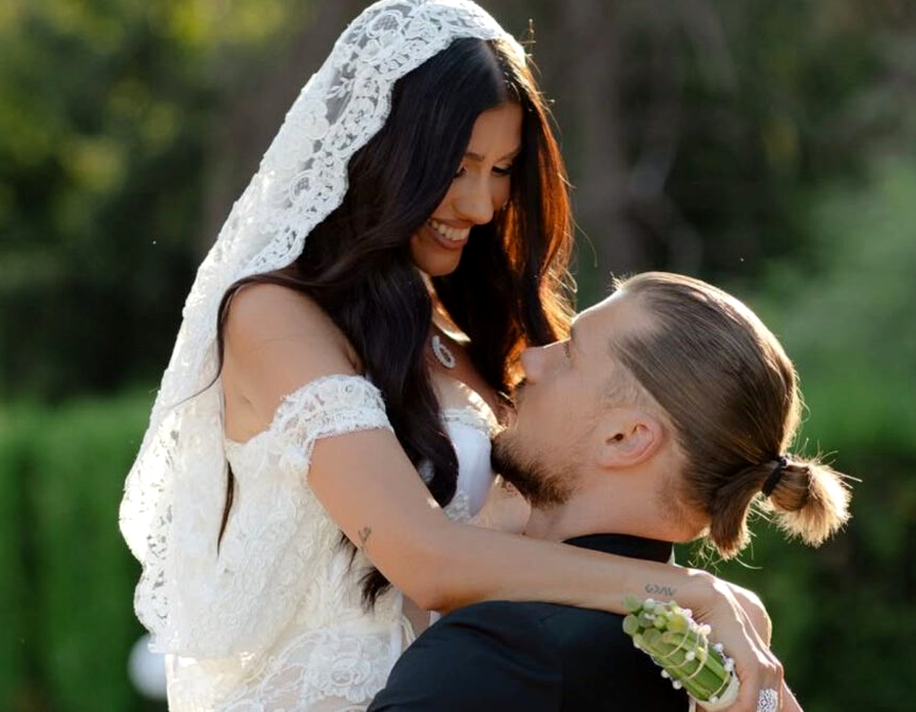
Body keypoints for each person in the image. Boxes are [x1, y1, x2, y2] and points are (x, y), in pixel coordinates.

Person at [119, 2, 784, 710]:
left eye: (501, 169)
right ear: (382, 155)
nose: (482, 204)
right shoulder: (275, 318)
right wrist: (684, 591)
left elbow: (548, 541)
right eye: (458, 167)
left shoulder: (473, 339)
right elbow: (425, 558)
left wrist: (704, 615)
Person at [369, 272, 851, 712]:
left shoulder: (504, 649)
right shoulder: (707, 660)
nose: (532, 359)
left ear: (625, 438)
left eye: (570, 354)